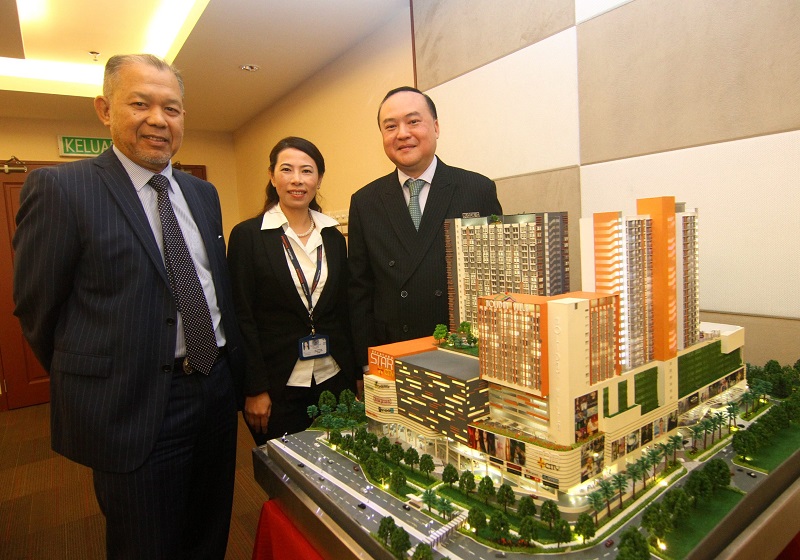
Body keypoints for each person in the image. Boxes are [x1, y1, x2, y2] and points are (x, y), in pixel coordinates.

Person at [12, 54, 244, 560]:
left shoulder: (202, 193)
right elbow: (37, 308)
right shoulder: (62, 190)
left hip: (213, 391)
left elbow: (213, 287)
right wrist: (97, 376)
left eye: (173, 109)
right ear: (104, 108)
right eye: (141, 104)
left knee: (210, 529)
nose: (159, 120)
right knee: (146, 543)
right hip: (134, 405)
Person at [348, 86, 503, 367]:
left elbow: (498, 278)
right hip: (393, 352)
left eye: (413, 121)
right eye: (390, 126)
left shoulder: (476, 189)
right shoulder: (365, 201)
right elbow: (360, 291)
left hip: (463, 351)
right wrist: (365, 360)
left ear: (436, 126)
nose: (403, 133)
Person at [228, 136, 358, 444]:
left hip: (334, 376)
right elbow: (241, 316)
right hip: (277, 383)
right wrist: (254, 388)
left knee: (340, 459)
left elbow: (343, 309)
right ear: (272, 176)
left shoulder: (333, 236)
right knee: (287, 473)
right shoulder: (248, 236)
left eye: (307, 171)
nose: (297, 180)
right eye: (287, 170)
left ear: (319, 179)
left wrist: (355, 376)